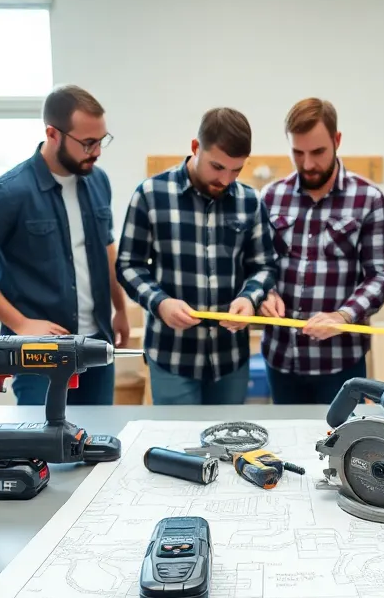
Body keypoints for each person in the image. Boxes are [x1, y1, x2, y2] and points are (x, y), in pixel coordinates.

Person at [0, 85, 130, 407]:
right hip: (38, 354)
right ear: (53, 133)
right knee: (44, 446)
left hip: (97, 343)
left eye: (101, 141)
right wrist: (20, 323)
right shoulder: (10, 192)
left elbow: (106, 248)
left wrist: (120, 309)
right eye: (88, 143)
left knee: (96, 445)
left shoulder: (98, 181)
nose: (97, 151)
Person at [117, 107, 279, 405]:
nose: (226, 180)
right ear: (195, 147)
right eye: (217, 167)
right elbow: (129, 265)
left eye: (236, 170)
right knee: (179, 446)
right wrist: (160, 302)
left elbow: (264, 266)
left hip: (230, 358)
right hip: (172, 354)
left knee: (228, 446)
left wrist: (249, 298)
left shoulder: (250, 201)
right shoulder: (150, 195)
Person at [259, 98, 384, 404]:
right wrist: (264, 293)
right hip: (282, 358)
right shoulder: (271, 197)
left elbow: (381, 276)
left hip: (341, 363)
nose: (307, 164)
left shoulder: (368, 199)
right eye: (298, 152)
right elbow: (258, 265)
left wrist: (343, 316)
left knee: (343, 446)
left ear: (337, 140)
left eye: (318, 152)